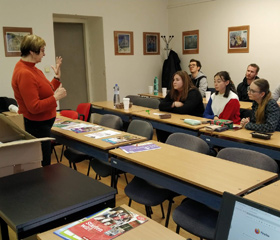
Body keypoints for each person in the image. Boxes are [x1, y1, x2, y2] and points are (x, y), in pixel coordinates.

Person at [12, 34, 67, 166]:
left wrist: (56, 78)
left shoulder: (33, 69)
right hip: (36, 127)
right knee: (42, 165)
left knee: (44, 163)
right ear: (32, 51)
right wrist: (55, 98)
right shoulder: (25, 73)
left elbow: (45, 91)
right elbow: (34, 107)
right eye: (42, 50)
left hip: (43, 126)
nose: (44, 54)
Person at [158, 70, 204, 142]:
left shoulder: (194, 92)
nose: (174, 82)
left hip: (192, 124)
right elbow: (161, 106)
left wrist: (169, 108)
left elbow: (183, 110)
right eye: (173, 80)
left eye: (177, 80)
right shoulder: (173, 92)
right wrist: (173, 104)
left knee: (166, 128)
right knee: (161, 126)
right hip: (177, 120)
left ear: (184, 81)